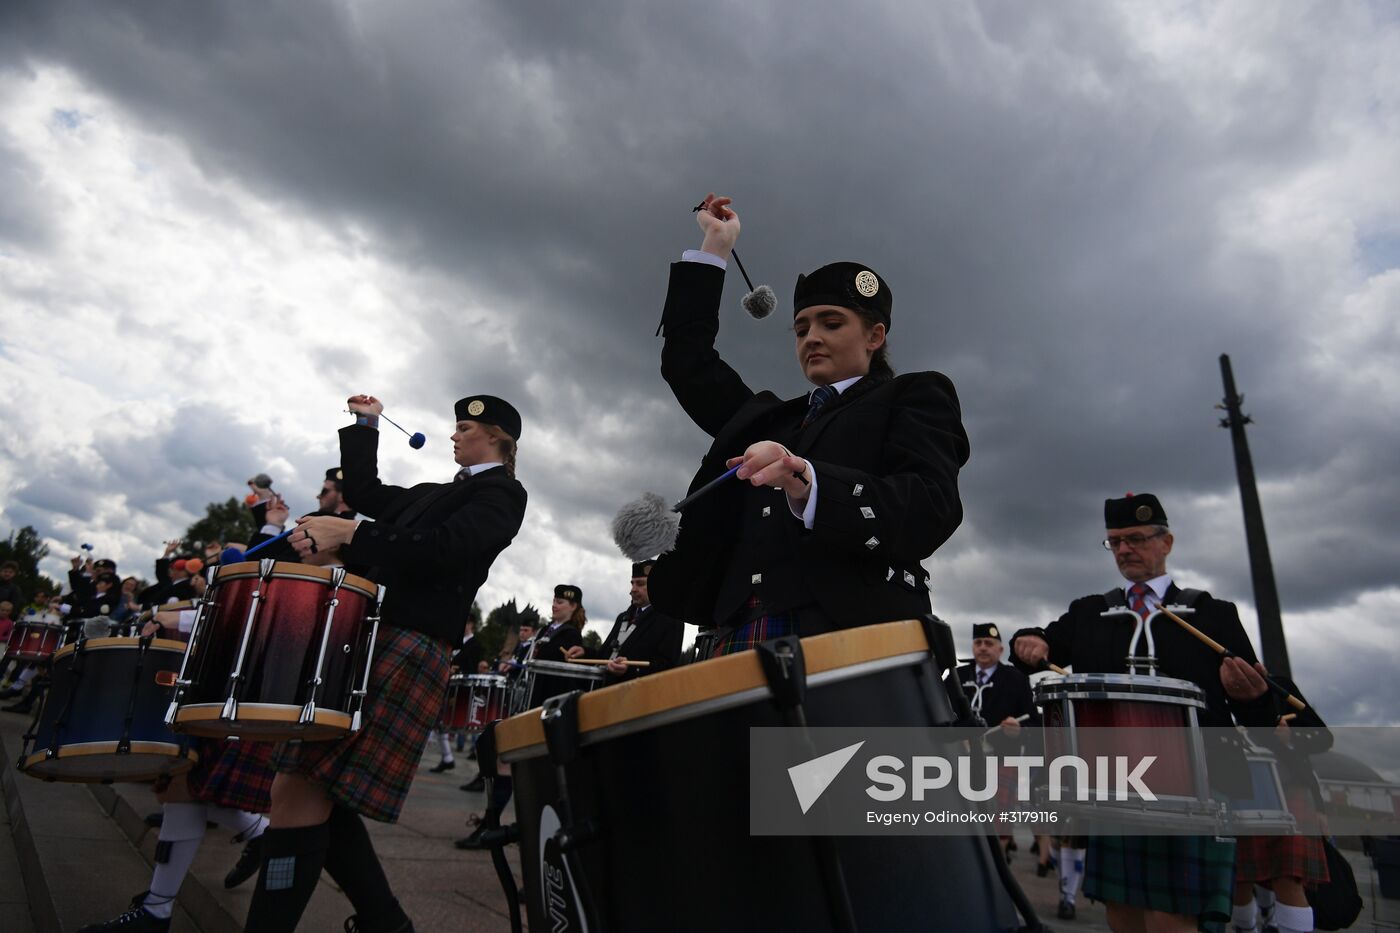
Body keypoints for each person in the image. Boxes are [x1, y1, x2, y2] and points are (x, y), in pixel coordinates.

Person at [243, 392, 527, 933]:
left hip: (411, 642)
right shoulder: (434, 493)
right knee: (319, 790)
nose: (453, 435)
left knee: (302, 785)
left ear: (497, 437)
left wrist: (352, 534)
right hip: (375, 636)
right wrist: (365, 426)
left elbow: (447, 549)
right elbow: (366, 492)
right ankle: (387, 923)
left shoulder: (504, 493)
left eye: (464, 429)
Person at [649, 193, 969, 653]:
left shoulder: (916, 396)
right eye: (800, 329)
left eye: (831, 323)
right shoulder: (768, 419)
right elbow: (687, 362)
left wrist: (807, 479)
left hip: (853, 645)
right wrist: (715, 249)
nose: (811, 338)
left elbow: (929, 508)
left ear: (875, 335)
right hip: (734, 637)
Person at [1011, 493, 1278, 933]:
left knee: (1173, 922)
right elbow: (1037, 647)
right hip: (1116, 783)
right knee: (1123, 917)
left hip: (1197, 789)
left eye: (1134, 539)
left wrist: (1250, 696)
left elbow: (1260, 718)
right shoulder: (1091, 612)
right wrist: (1030, 641)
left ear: (1166, 542)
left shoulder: (1212, 614)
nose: (1123, 550)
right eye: (1114, 542)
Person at [1230, 677, 1332, 933]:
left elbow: (1322, 737)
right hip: (1235, 787)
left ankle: (1273, 918)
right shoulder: (1207, 684)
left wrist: (1291, 737)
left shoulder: (1276, 685)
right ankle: (1249, 927)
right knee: (1239, 876)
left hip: (1287, 790)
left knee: (1288, 877)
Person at [947, 622, 1038, 862]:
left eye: (989, 644)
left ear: (1000, 650)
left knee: (997, 823)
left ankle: (997, 866)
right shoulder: (957, 676)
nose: (983, 648)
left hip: (1001, 760)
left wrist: (1020, 731)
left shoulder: (1016, 679)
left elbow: (1035, 723)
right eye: (978, 643)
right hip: (960, 760)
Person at [565, 560, 685, 680]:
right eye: (632, 583)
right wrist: (584, 653)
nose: (633, 589)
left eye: (640, 584)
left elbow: (666, 666)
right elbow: (604, 656)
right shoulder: (623, 618)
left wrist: (630, 669)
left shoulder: (671, 620)